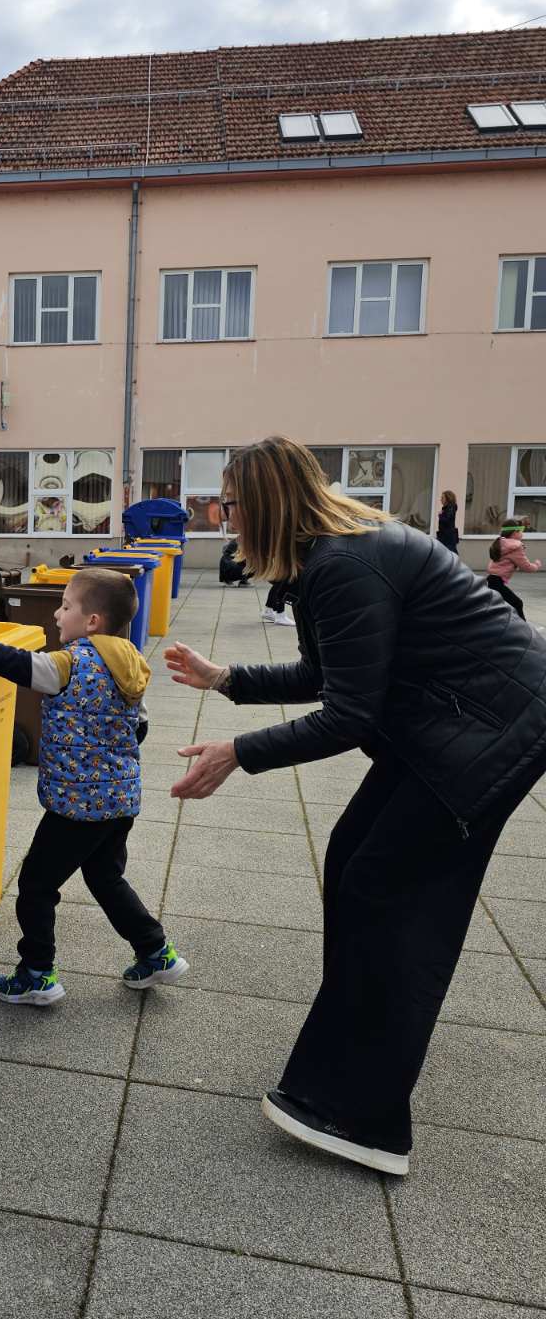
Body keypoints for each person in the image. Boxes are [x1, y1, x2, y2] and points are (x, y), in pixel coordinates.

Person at [164, 435, 546, 1178]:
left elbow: (348, 716)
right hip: (449, 723)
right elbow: (330, 672)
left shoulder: (345, 564)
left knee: (391, 893)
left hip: (490, 732)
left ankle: (367, 1118)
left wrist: (237, 753)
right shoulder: (330, 558)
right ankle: (348, 1052)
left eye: (229, 503)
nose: (222, 516)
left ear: (266, 505)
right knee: (351, 860)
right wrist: (225, 678)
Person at [0, 568, 188, 1006]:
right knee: (105, 876)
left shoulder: (69, 664)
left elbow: (20, 663)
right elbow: (138, 728)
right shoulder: (132, 664)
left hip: (78, 806)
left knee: (36, 886)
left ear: (92, 621)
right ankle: (156, 951)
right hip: (120, 800)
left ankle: (37, 974)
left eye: (65, 606)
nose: (58, 615)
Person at [485, 517, 540, 621]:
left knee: (498, 605)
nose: (522, 534)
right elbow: (526, 567)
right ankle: (523, 627)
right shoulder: (515, 547)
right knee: (517, 603)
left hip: (491, 580)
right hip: (497, 582)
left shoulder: (500, 543)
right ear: (515, 532)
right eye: (521, 531)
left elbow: (504, 562)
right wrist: (536, 565)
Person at [436, 489, 459, 554]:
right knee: (446, 553)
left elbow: (447, 520)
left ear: (448, 499)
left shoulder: (451, 507)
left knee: (451, 553)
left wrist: (440, 515)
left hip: (448, 537)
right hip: (444, 536)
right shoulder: (446, 508)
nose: (441, 499)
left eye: (442, 498)